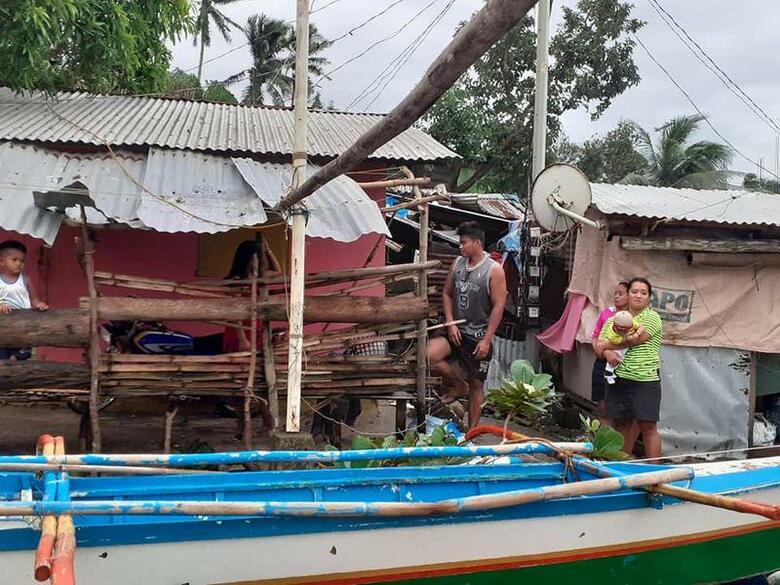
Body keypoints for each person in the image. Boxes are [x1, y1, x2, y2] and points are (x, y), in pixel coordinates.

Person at [427, 221, 507, 429]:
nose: (460, 247)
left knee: (477, 384)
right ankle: (458, 385)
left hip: (478, 335)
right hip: (456, 332)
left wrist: (487, 340)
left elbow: (499, 306)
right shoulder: (457, 264)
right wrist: (451, 323)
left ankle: (472, 433)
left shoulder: (494, 270)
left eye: (463, 243)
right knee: (429, 355)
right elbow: (446, 293)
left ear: (477, 242)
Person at [595, 277, 663, 459]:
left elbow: (634, 340)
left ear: (649, 298)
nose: (638, 296)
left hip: (645, 380)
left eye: (644, 293)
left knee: (648, 426)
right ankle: (623, 466)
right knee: (622, 424)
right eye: (634, 292)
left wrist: (606, 347)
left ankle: (654, 473)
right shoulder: (612, 320)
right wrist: (607, 353)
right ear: (627, 295)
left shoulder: (652, 317)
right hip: (619, 379)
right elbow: (598, 345)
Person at [0, 240, 49, 360]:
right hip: (4, 326)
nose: (19, 264)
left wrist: (39, 304)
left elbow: (34, 298)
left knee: (22, 358)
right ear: (2, 262)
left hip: (23, 325)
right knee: (3, 357)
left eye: (22, 261)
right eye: (14, 260)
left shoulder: (26, 280)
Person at [591, 282, 629, 421]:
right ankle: (604, 439)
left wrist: (608, 350)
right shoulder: (606, 313)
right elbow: (596, 337)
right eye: (615, 293)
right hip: (602, 361)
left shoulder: (634, 318)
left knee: (620, 410)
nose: (616, 296)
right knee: (602, 406)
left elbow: (629, 341)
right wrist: (604, 352)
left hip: (622, 364)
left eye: (621, 294)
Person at [601, 310, 645, 385]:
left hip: (627, 340)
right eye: (620, 328)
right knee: (616, 356)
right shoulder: (611, 334)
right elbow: (617, 342)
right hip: (616, 345)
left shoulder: (632, 322)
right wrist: (628, 338)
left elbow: (642, 327)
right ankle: (608, 372)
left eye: (627, 328)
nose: (623, 330)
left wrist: (637, 334)